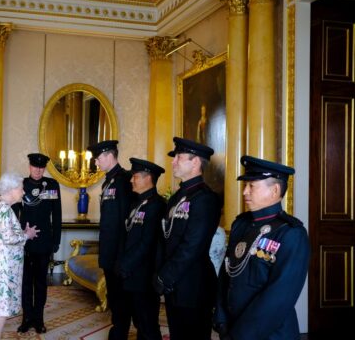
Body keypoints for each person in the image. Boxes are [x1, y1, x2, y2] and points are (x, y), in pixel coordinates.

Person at [213, 156, 310, 340]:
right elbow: (226, 274)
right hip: (232, 327)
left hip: (270, 334)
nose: (244, 192)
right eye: (245, 186)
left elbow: (278, 297)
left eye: (252, 186)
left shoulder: (291, 234)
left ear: (274, 190)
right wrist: (221, 319)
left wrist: (240, 335)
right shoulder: (240, 225)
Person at [154, 137, 222, 340]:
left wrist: (165, 276)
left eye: (179, 158)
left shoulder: (205, 199)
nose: (173, 162)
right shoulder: (177, 197)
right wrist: (160, 272)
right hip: (175, 284)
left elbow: (193, 246)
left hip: (194, 285)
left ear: (195, 162)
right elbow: (165, 236)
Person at [86, 139, 134, 340]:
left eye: (98, 159)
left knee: (121, 296)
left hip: (119, 252)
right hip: (108, 250)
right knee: (114, 294)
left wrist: (122, 255)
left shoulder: (123, 180)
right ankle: (118, 327)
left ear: (108, 155)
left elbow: (126, 220)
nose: (96, 163)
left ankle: (120, 331)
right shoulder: (108, 181)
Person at [0, 172, 39, 340]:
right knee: (1, 311)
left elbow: (1, 235)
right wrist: (27, 235)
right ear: (12, 189)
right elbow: (8, 238)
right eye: (21, 189)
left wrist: (21, 233)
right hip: (2, 269)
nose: (23, 192)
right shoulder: (2, 208)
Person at [115, 158, 166, 340]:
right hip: (129, 273)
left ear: (147, 178)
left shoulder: (157, 205)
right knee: (132, 319)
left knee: (147, 323)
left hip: (144, 275)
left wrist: (125, 265)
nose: (131, 180)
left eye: (135, 176)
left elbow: (147, 243)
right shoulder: (136, 203)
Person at [17, 153, 62, 334]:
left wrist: (56, 240)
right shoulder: (21, 185)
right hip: (25, 241)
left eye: (41, 167)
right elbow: (14, 213)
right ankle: (27, 318)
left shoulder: (51, 185)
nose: (38, 170)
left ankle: (39, 319)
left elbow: (57, 215)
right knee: (25, 282)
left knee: (41, 283)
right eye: (35, 167)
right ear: (29, 166)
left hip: (44, 242)